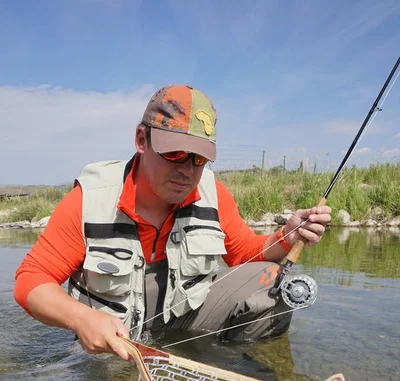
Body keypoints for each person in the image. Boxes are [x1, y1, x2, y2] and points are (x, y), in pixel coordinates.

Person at [14, 84, 331, 361]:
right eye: (176, 153)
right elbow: (31, 281)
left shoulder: (212, 192)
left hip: (183, 316)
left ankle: (224, 365)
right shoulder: (90, 199)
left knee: (271, 281)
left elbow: (244, 254)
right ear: (142, 139)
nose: (187, 171)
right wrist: (82, 319)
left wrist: (287, 237)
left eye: (199, 158)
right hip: (110, 336)